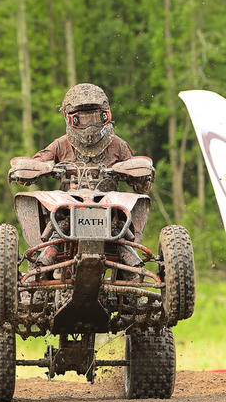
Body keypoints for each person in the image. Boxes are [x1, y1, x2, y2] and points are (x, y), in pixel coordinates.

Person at [10, 83, 152, 268]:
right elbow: (40, 160)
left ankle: (132, 272)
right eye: (82, 119)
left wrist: (139, 175)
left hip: (111, 212)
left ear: (105, 117)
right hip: (66, 209)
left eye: (95, 118)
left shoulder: (118, 144)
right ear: (70, 120)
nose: (90, 125)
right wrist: (32, 170)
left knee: (124, 221)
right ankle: (41, 269)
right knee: (54, 220)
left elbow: (140, 181)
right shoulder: (61, 144)